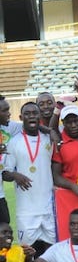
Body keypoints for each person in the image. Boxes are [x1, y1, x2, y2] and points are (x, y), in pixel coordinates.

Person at [2, 102, 56, 256]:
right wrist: (15, 175)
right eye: (27, 113)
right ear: (21, 117)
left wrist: (51, 131)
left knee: (51, 250)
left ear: (40, 116)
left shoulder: (48, 139)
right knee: (27, 253)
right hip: (26, 210)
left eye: (35, 113)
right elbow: (5, 174)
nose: (31, 116)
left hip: (48, 207)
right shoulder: (13, 142)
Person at [0, 95, 23, 224]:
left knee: (4, 229)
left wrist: (49, 131)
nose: (9, 114)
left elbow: (31, 125)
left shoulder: (9, 127)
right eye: (5, 111)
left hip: (0, 194)